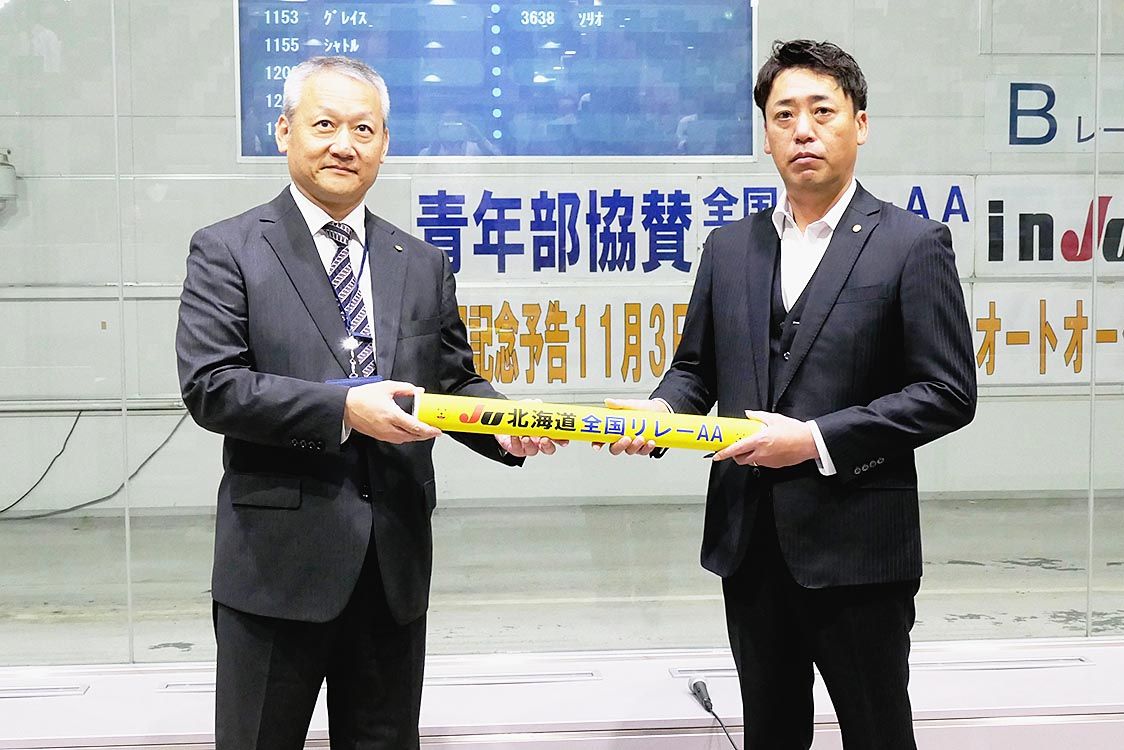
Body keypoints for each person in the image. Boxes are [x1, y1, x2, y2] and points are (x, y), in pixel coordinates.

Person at [176, 56, 558, 749]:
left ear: (384, 143)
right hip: (276, 569)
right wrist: (344, 408)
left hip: (392, 567)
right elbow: (213, 385)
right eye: (324, 125)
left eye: (363, 129)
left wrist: (502, 426)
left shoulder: (421, 261)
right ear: (284, 131)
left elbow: (450, 382)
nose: (343, 145)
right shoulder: (228, 249)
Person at [602, 40, 976, 749]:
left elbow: (946, 391)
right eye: (783, 115)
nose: (802, 130)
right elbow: (695, 369)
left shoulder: (912, 243)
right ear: (767, 135)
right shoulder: (729, 247)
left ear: (859, 124)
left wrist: (814, 441)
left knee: (878, 735)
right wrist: (661, 412)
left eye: (821, 111)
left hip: (859, 550)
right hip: (748, 546)